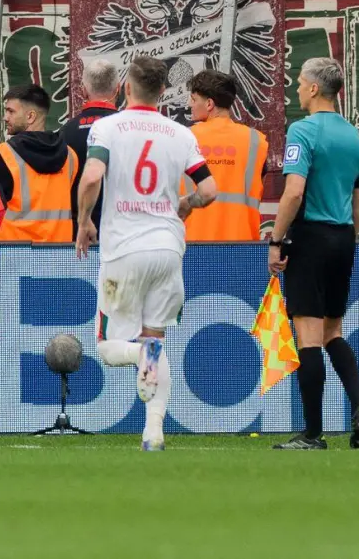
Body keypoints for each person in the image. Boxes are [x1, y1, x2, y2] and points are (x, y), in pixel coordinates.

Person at [74, 56, 217, 451]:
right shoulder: (181, 134)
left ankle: (142, 356)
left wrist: (85, 221)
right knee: (156, 339)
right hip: (168, 248)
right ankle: (153, 431)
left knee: (107, 348)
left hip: (124, 247)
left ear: (125, 87)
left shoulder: (107, 127)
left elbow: (91, 176)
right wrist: (185, 204)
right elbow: (210, 191)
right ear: (162, 92)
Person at [268, 57, 359, 450]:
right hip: (344, 237)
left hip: (311, 237)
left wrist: (276, 240)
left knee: (308, 337)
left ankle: (313, 433)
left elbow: (294, 192)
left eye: (299, 83)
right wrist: (346, 233)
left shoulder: (303, 130)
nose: (296, 89)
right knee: (334, 332)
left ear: (314, 89)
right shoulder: (354, 138)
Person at [182, 71, 268, 243]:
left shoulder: (184, 137)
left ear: (209, 104)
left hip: (191, 243)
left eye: (193, 99)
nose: (188, 104)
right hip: (242, 244)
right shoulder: (257, 141)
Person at [0, 84, 78, 243]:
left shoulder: (3, 155)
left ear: (30, 116)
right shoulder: (70, 156)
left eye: (11, 111)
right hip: (58, 255)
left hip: (10, 256)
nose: (5, 117)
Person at [63, 58, 118, 237]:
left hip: (79, 233)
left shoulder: (65, 132)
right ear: (118, 89)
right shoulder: (130, 128)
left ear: (83, 91)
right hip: (122, 231)